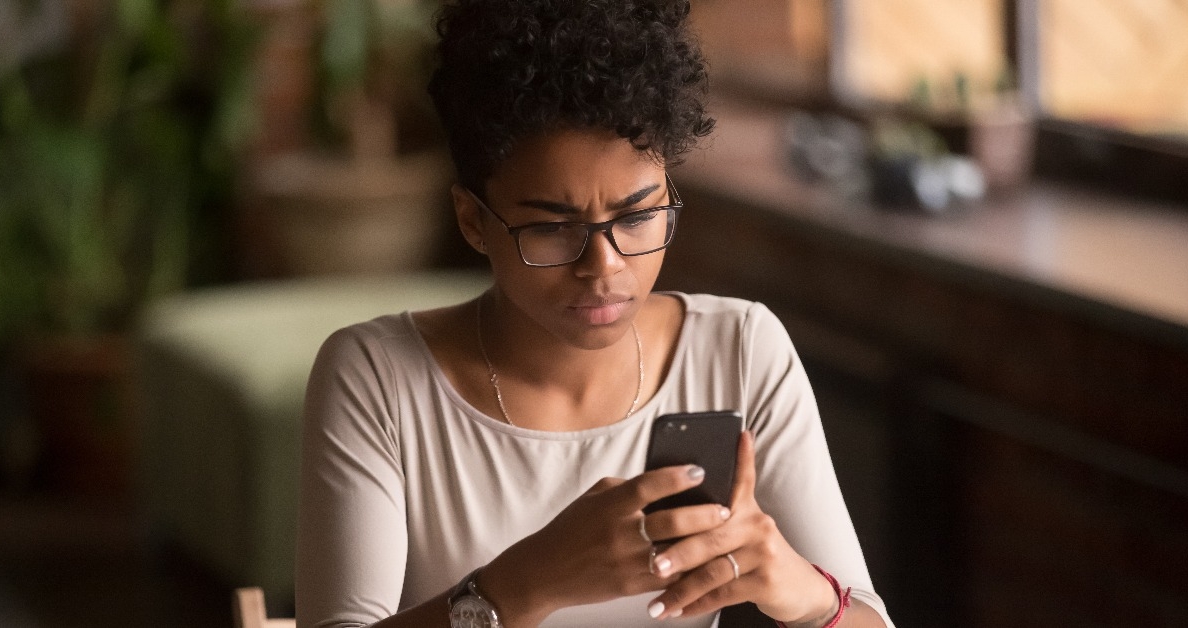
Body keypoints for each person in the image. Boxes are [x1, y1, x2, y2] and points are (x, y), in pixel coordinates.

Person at [295, 1, 894, 627]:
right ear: (473, 220)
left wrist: (796, 586)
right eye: (554, 228)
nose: (605, 267)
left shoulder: (740, 350)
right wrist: (528, 582)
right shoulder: (378, 378)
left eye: (637, 217)